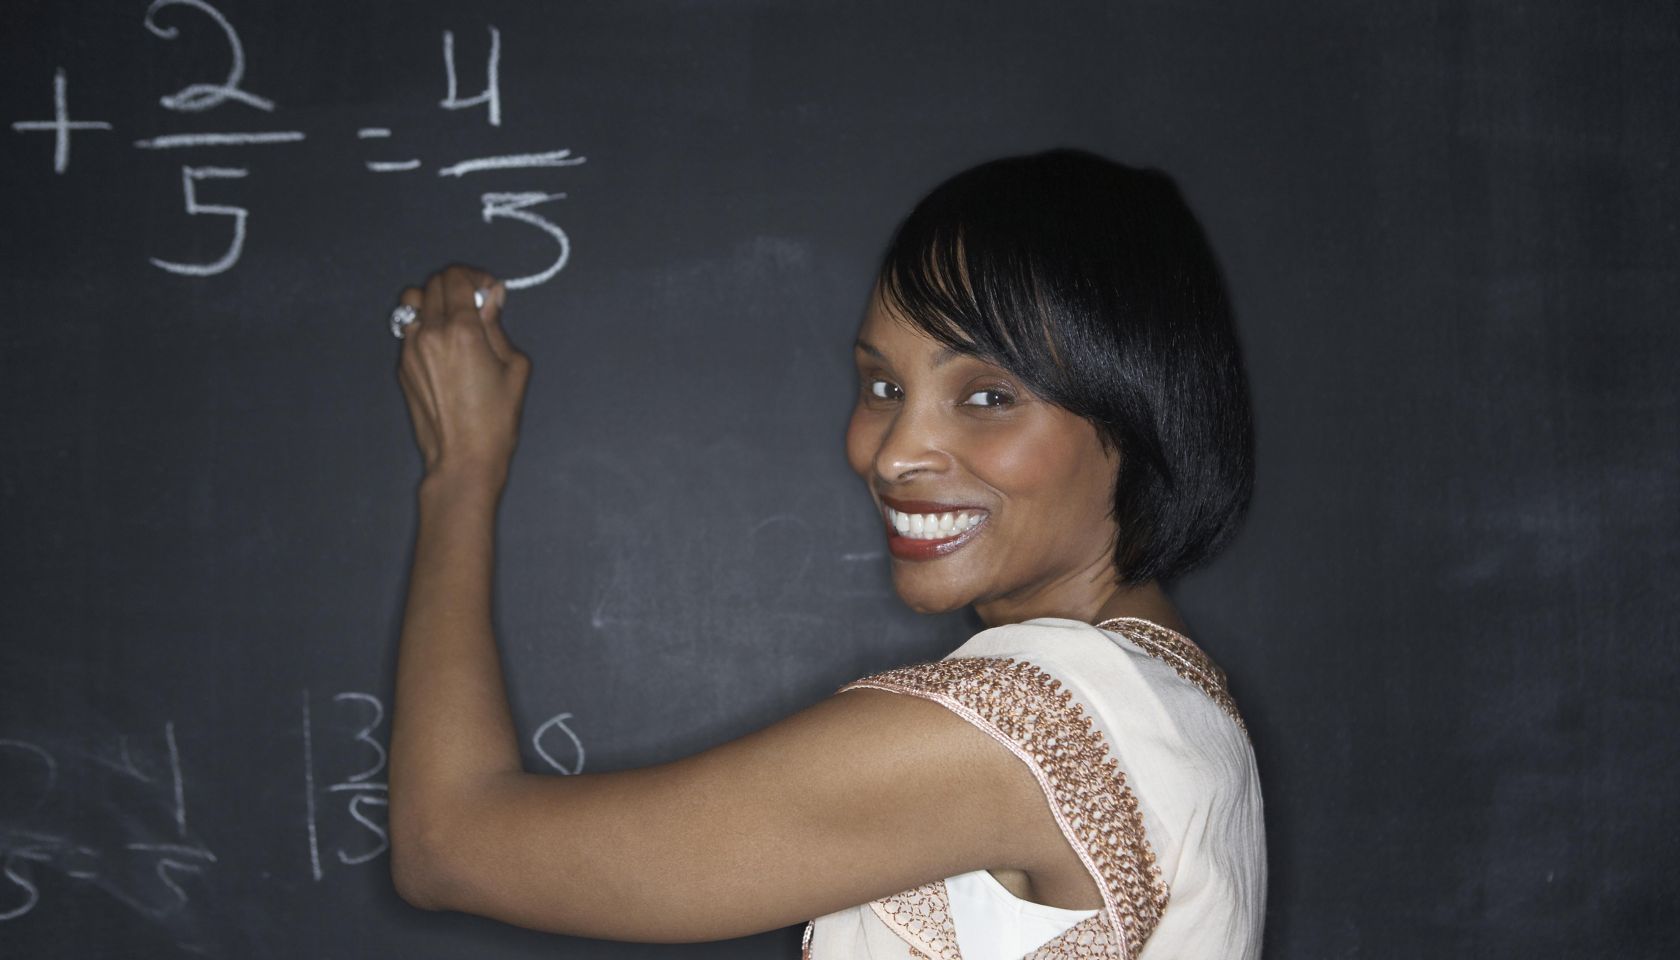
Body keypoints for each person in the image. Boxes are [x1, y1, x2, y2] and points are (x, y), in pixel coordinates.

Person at [385, 148, 1265, 959]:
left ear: (1138, 411)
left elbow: (447, 845)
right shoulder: (1172, 702)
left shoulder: (1036, 725)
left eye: (989, 395)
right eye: (884, 386)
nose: (893, 453)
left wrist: (460, 473)